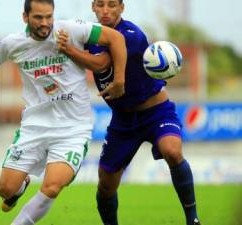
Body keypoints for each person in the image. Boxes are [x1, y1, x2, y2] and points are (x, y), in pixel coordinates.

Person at [0, 0, 127, 224]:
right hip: (34, 126)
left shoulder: (71, 30)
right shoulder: (13, 43)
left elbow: (116, 38)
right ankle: (20, 187)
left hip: (72, 129)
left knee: (52, 186)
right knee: (5, 190)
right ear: (25, 17)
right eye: (38, 17)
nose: (45, 23)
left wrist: (119, 80)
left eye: (49, 16)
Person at [56, 0, 201, 224]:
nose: (106, 10)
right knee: (105, 185)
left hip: (156, 111)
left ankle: (193, 219)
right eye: (101, 5)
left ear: (122, 8)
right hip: (123, 120)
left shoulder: (131, 34)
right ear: (93, 6)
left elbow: (100, 64)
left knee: (171, 151)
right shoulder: (89, 35)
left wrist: (67, 49)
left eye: (112, 5)